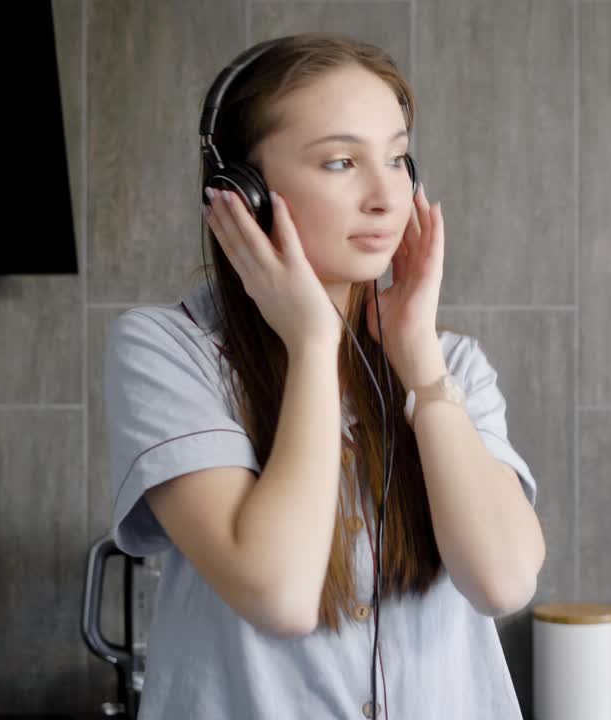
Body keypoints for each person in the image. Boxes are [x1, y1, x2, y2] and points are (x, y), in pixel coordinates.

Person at [103, 32, 545, 720]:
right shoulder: (168, 351)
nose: (385, 196)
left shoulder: (449, 364)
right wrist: (312, 344)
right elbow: (278, 594)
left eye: (398, 159)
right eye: (341, 162)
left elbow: (504, 580)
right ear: (240, 194)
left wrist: (418, 361)